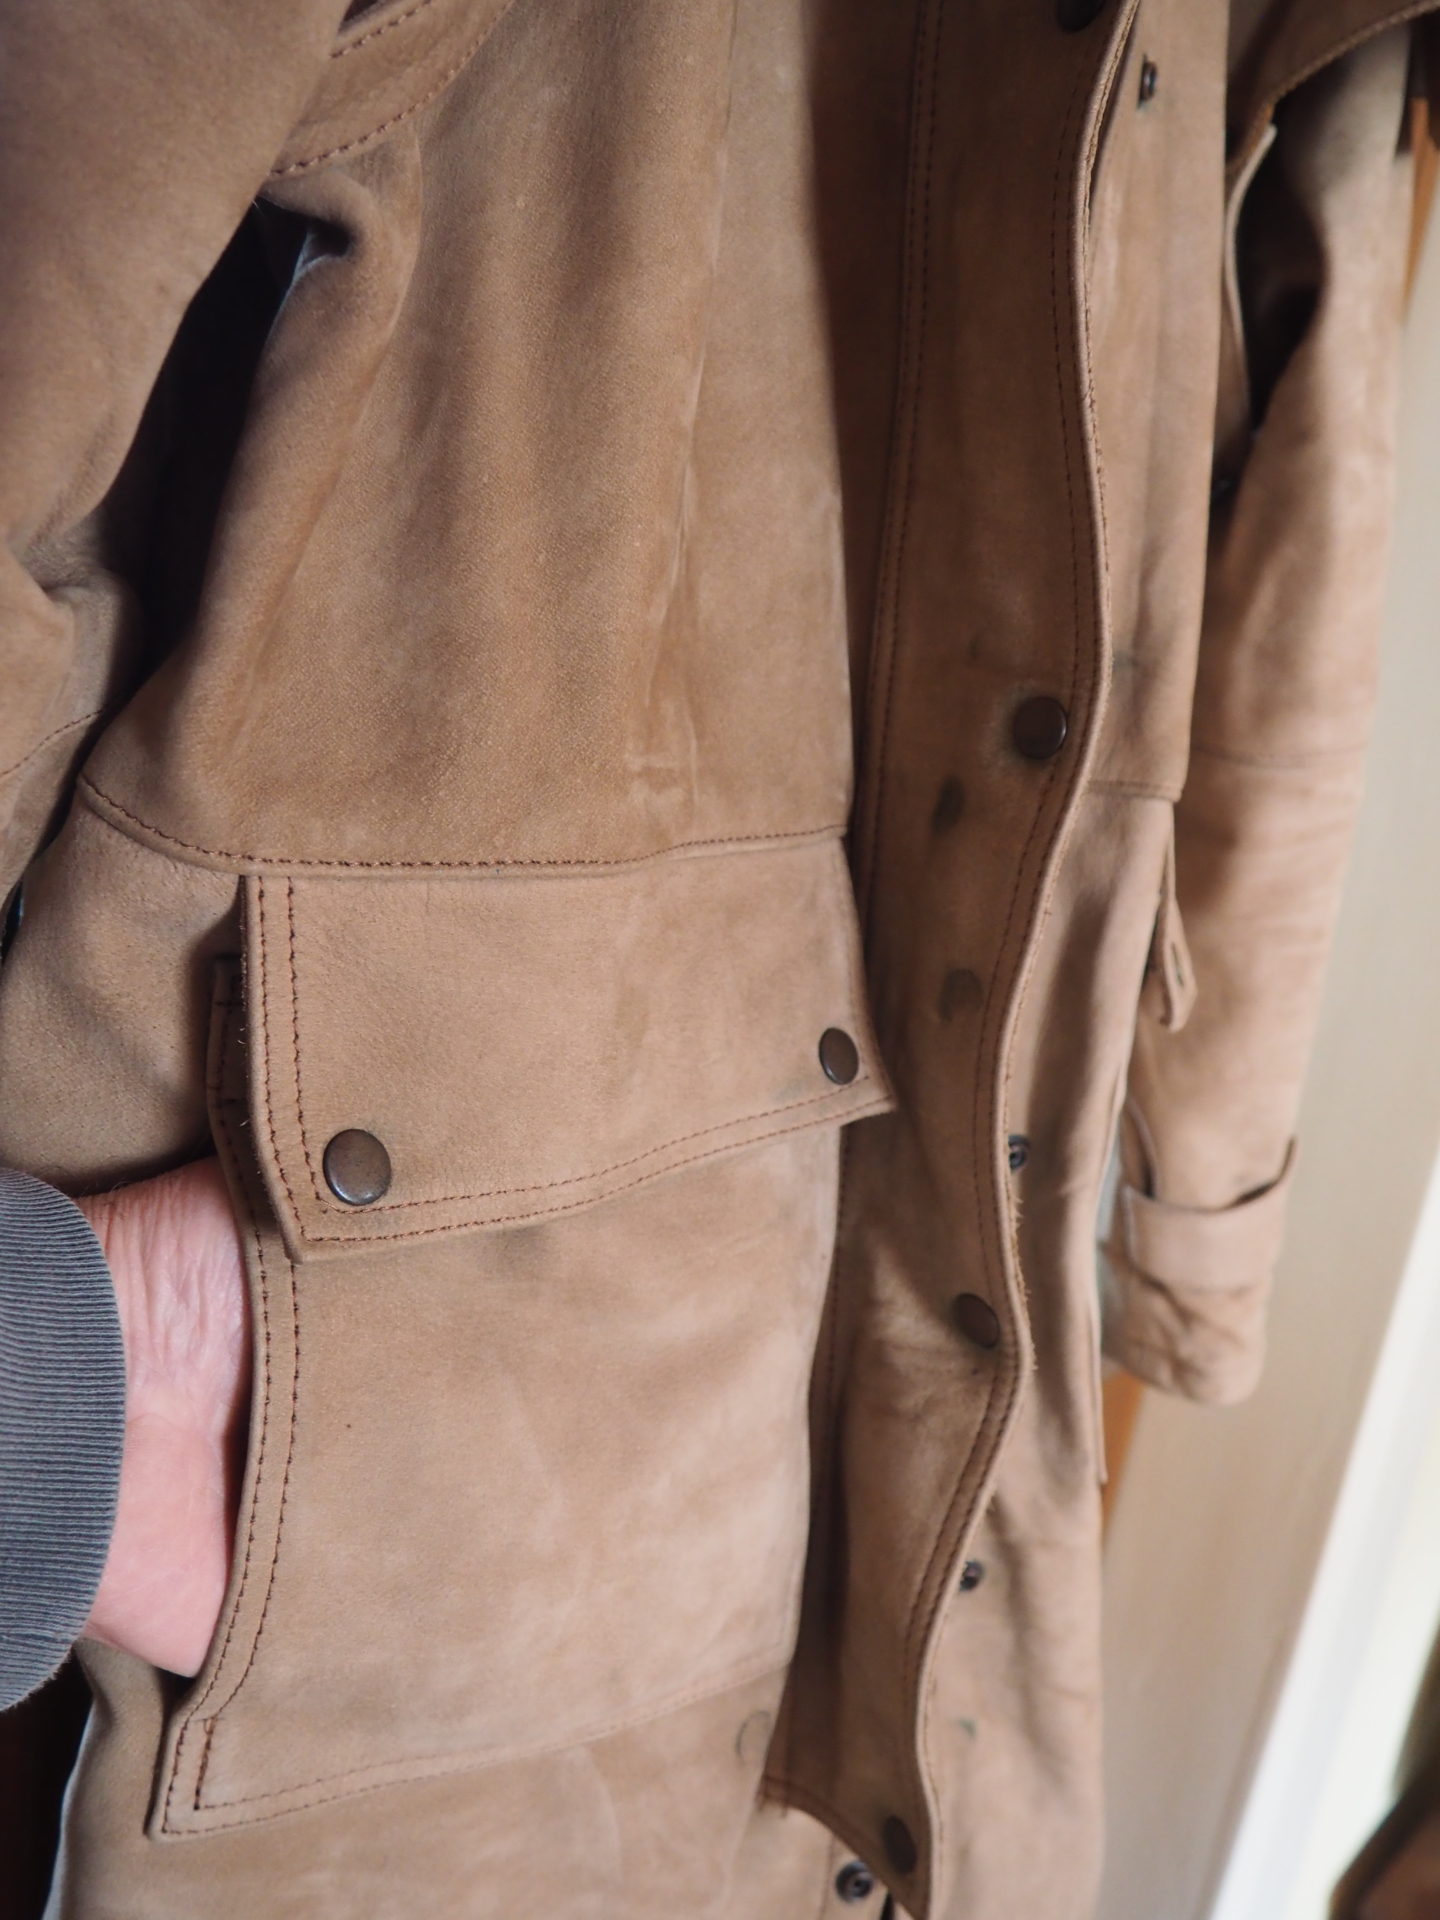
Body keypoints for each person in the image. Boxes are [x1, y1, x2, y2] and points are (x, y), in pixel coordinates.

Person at [0, 2, 1431, 1915]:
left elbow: (1308, 483)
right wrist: (43, 1371)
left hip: (903, 1384)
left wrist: (1196, 1210)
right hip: (385, 1364)